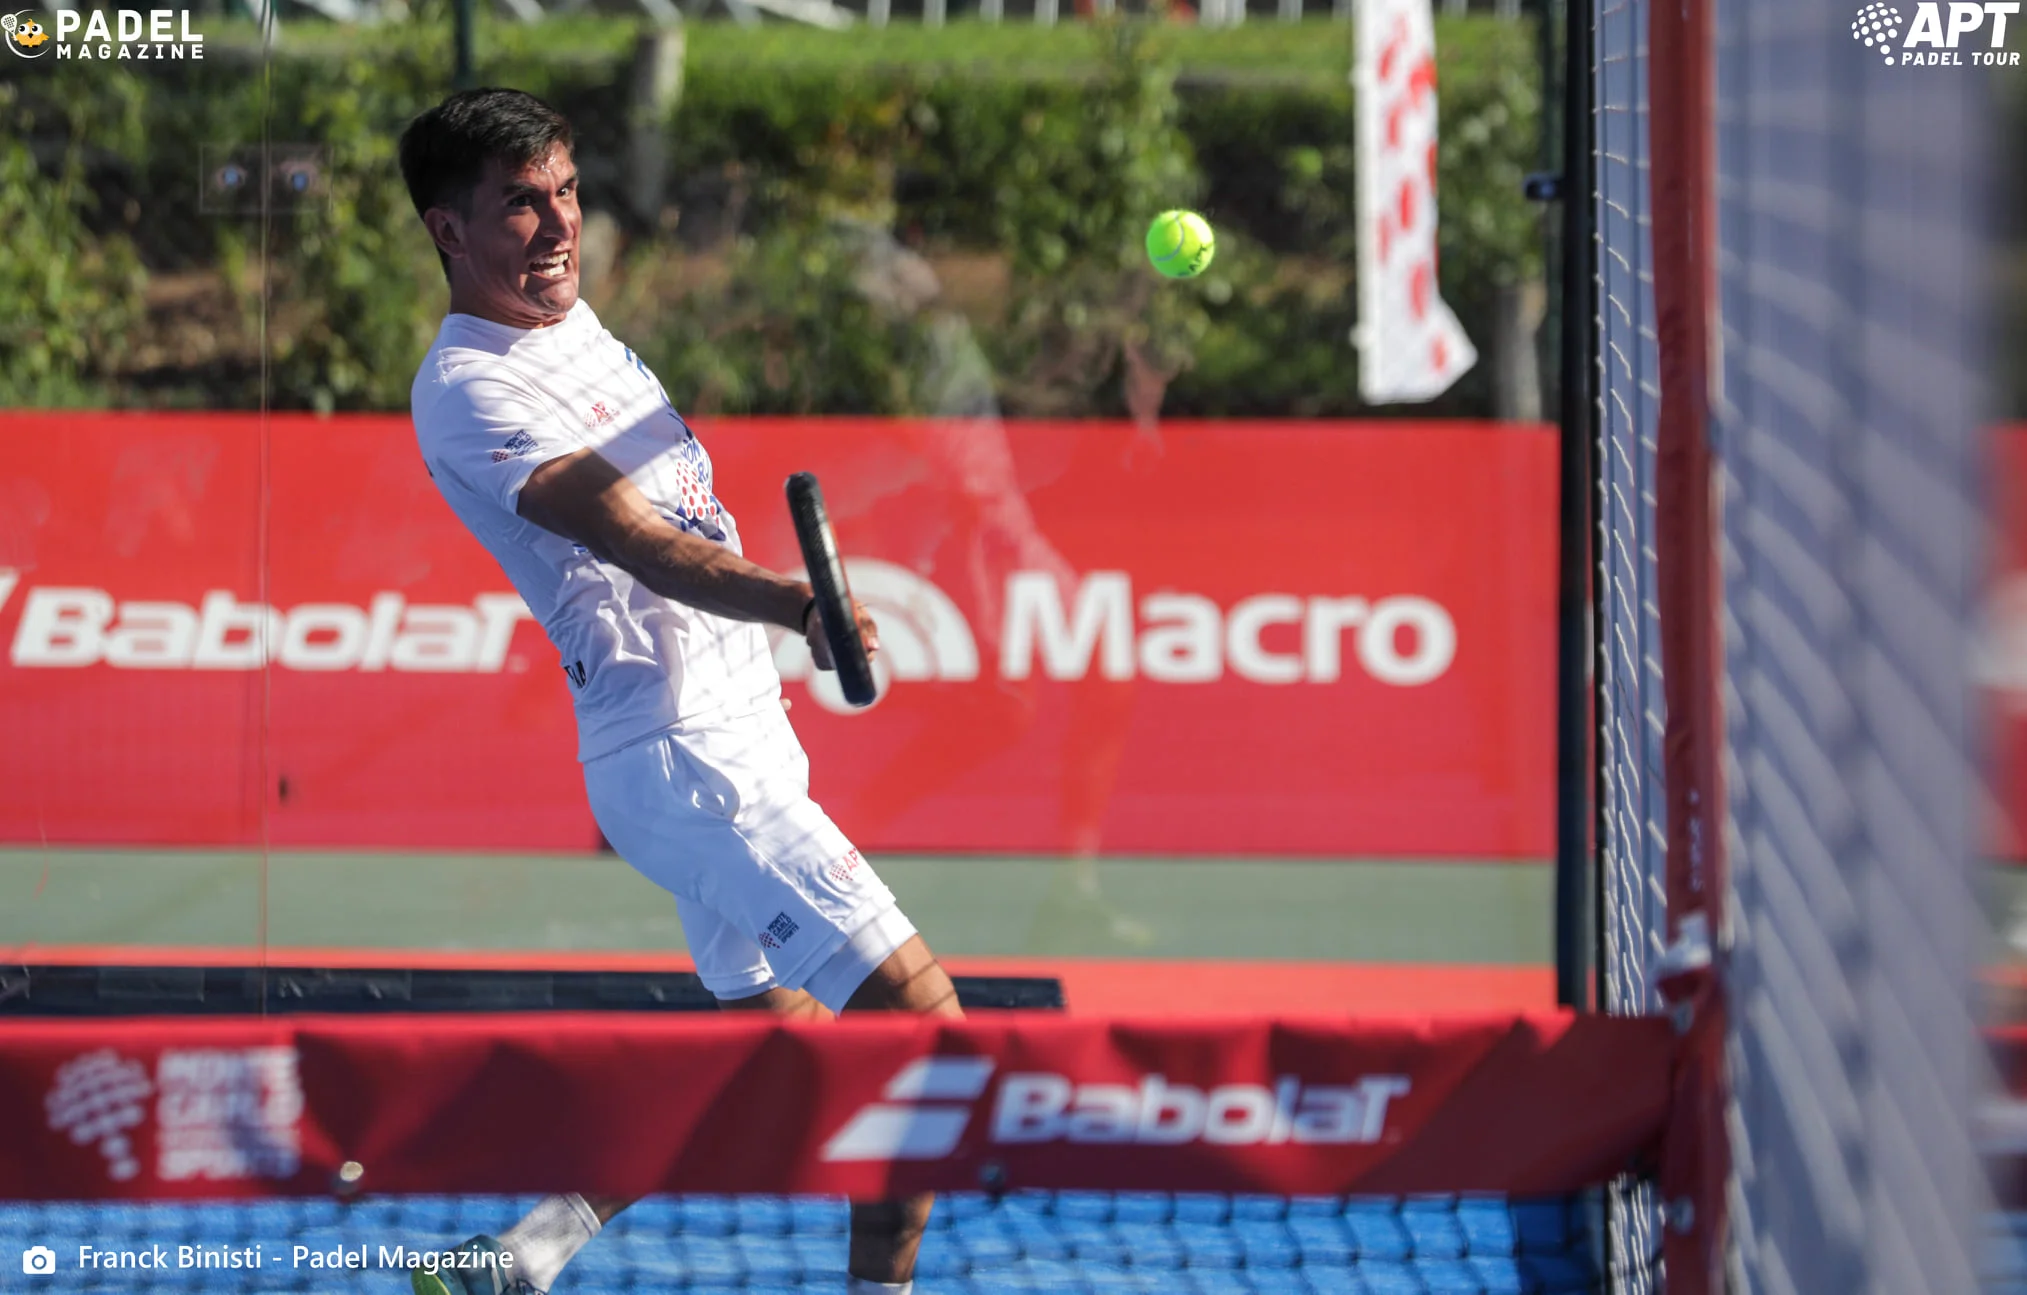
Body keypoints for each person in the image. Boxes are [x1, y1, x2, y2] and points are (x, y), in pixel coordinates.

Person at [396, 87, 961, 1295]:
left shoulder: (581, 331)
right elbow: (638, 539)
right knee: (924, 1026)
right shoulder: (465, 389)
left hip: (743, 729)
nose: (557, 227)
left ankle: (524, 1253)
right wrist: (799, 608)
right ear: (449, 231)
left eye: (566, 192)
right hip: (682, 756)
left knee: (763, 1050)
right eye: (518, 205)